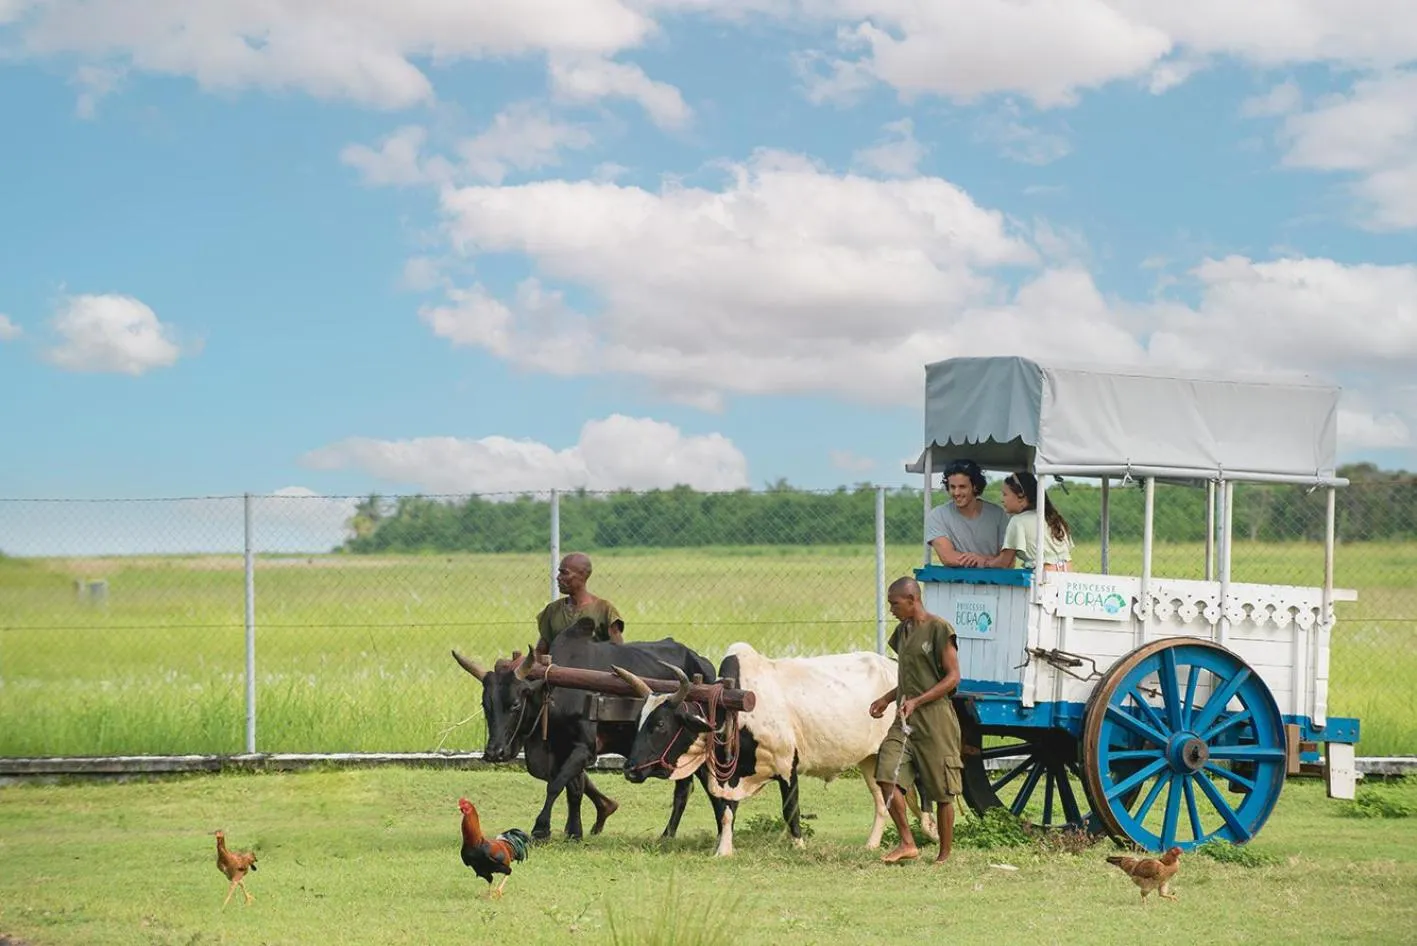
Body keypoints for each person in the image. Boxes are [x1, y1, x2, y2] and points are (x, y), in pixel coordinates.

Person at [869, 576, 962, 865]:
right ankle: (907, 842)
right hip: (905, 718)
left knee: (942, 789)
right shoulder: (903, 632)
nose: (892, 609)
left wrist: (918, 701)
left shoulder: (939, 629)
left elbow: (953, 678)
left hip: (935, 719)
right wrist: (886, 698)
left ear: (912, 600)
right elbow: (910, 678)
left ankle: (944, 855)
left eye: (895, 604)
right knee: (886, 772)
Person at [533, 552, 625, 657]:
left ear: (582, 575)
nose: (558, 578)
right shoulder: (553, 609)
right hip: (558, 670)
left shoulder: (605, 609)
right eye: (559, 573)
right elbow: (541, 651)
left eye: (564, 573)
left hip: (594, 671)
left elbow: (619, 652)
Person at [982, 471, 1074, 572]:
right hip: (1067, 575)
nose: (1002, 500)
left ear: (1021, 495)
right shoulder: (1052, 517)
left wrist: (984, 562)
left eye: (1005, 494)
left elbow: (1004, 562)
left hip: (1043, 579)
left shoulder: (1018, 521)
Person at [924, 458, 1007, 567]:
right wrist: (988, 561)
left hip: (996, 581)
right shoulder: (937, 515)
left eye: (962, 487)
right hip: (955, 581)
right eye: (952, 487)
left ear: (975, 487)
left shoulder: (998, 514)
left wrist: (983, 560)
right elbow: (948, 557)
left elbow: (1008, 561)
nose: (956, 492)